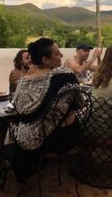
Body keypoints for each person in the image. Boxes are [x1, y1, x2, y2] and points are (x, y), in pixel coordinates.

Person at [10, 38, 81, 182]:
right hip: (52, 142)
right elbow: (79, 102)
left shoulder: (23, 80)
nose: (61, 56)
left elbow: (18, 109)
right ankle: (80, 169)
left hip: (22, 138)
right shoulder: (66, 75)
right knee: (79, 118)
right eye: (57, 53)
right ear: (45, 59)